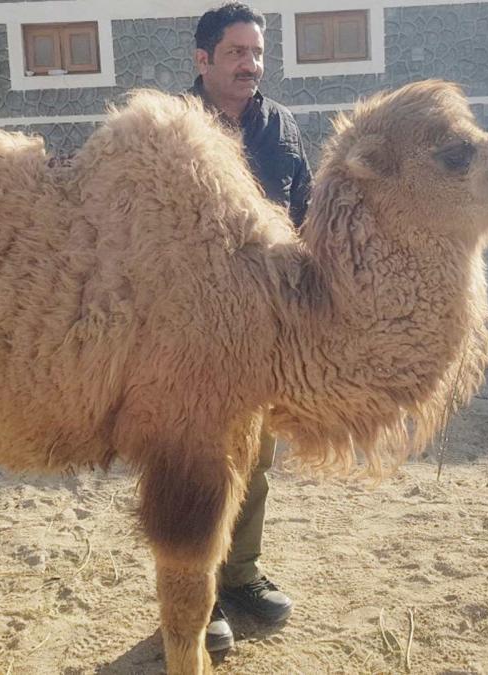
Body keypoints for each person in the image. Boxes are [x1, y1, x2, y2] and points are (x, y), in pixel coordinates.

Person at [188, 2, 312, 653]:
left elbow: (308, 215)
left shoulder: (281, 126)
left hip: (265, 334)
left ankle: (240, 576)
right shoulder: (169, 131)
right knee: (199, 465)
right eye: (236, 53)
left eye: (257, 53)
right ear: (202, 59)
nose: (250, 65)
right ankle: (197, 595)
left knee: (255, 461)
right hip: (190, 337)